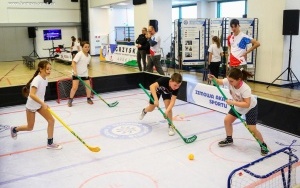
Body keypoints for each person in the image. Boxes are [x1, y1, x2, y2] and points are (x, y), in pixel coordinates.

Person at [208, 68, 268, 156]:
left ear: (239, 80)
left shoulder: (245, 89)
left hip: (250, 108)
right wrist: (213, 79)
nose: (229, 82)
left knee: (252, 129)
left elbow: (247, 104)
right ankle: (229, 139)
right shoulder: (229, 80)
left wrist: (232, 102)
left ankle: (263, 144)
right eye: (228, 80)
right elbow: (218, 82)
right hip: (238, 105)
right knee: (227, 121)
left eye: (231, 81)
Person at [10, 60, 62, 150]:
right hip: (31, 106)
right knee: (30, 127)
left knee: (51, 121)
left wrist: (43, 103)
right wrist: (42, 103)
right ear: (40, 69)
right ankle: (14, 129)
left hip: (39, 104)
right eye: (47, 69)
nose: (49, 71)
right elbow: (32, 94)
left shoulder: (45, 79)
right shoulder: (37, 80)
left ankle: (50, 143)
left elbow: (40, 93)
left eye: (50, 69)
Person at [68, 41, 93, 107]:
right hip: (77, 74)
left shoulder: (89, 56)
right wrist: (75, 72)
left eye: (88, 47)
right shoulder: (79, 54)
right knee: (74, 87)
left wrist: (86, 72)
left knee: (88, 87)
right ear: (82, 47)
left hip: (84, 74)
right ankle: (70, 100)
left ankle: (88, 98)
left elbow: (86, 65)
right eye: (85, 47)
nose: (87, 48)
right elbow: (73, 63)